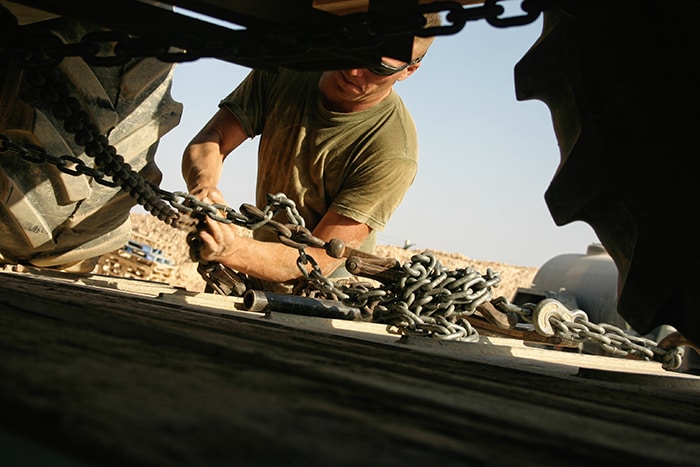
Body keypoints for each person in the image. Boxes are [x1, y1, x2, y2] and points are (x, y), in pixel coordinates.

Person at [182, 14, 440, 293]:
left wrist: (231, 249)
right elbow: (213, 138)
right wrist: (204, 186)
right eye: (354, 50)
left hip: (324, 290)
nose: (354, 71)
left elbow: (318, 260)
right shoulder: (292, 68)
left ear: (408, 71)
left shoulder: (391, 152)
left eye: (376, 68)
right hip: (257, 268)